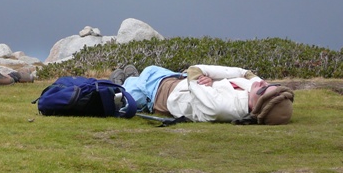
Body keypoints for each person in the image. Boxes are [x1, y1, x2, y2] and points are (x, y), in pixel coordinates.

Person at [110, 64, 294, 125]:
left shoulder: (220, 107)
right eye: (270, 84)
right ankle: (131, 77)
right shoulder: (253, 90)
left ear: (256, 106)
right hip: (178, 81)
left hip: (160, 95)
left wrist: (205, 76)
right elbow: (246, 73)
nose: (261, 82)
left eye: (263, 88)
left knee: (126, 93)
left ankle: (122, 83)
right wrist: (210, 81)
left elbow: (194, 70)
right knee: (150, 70)